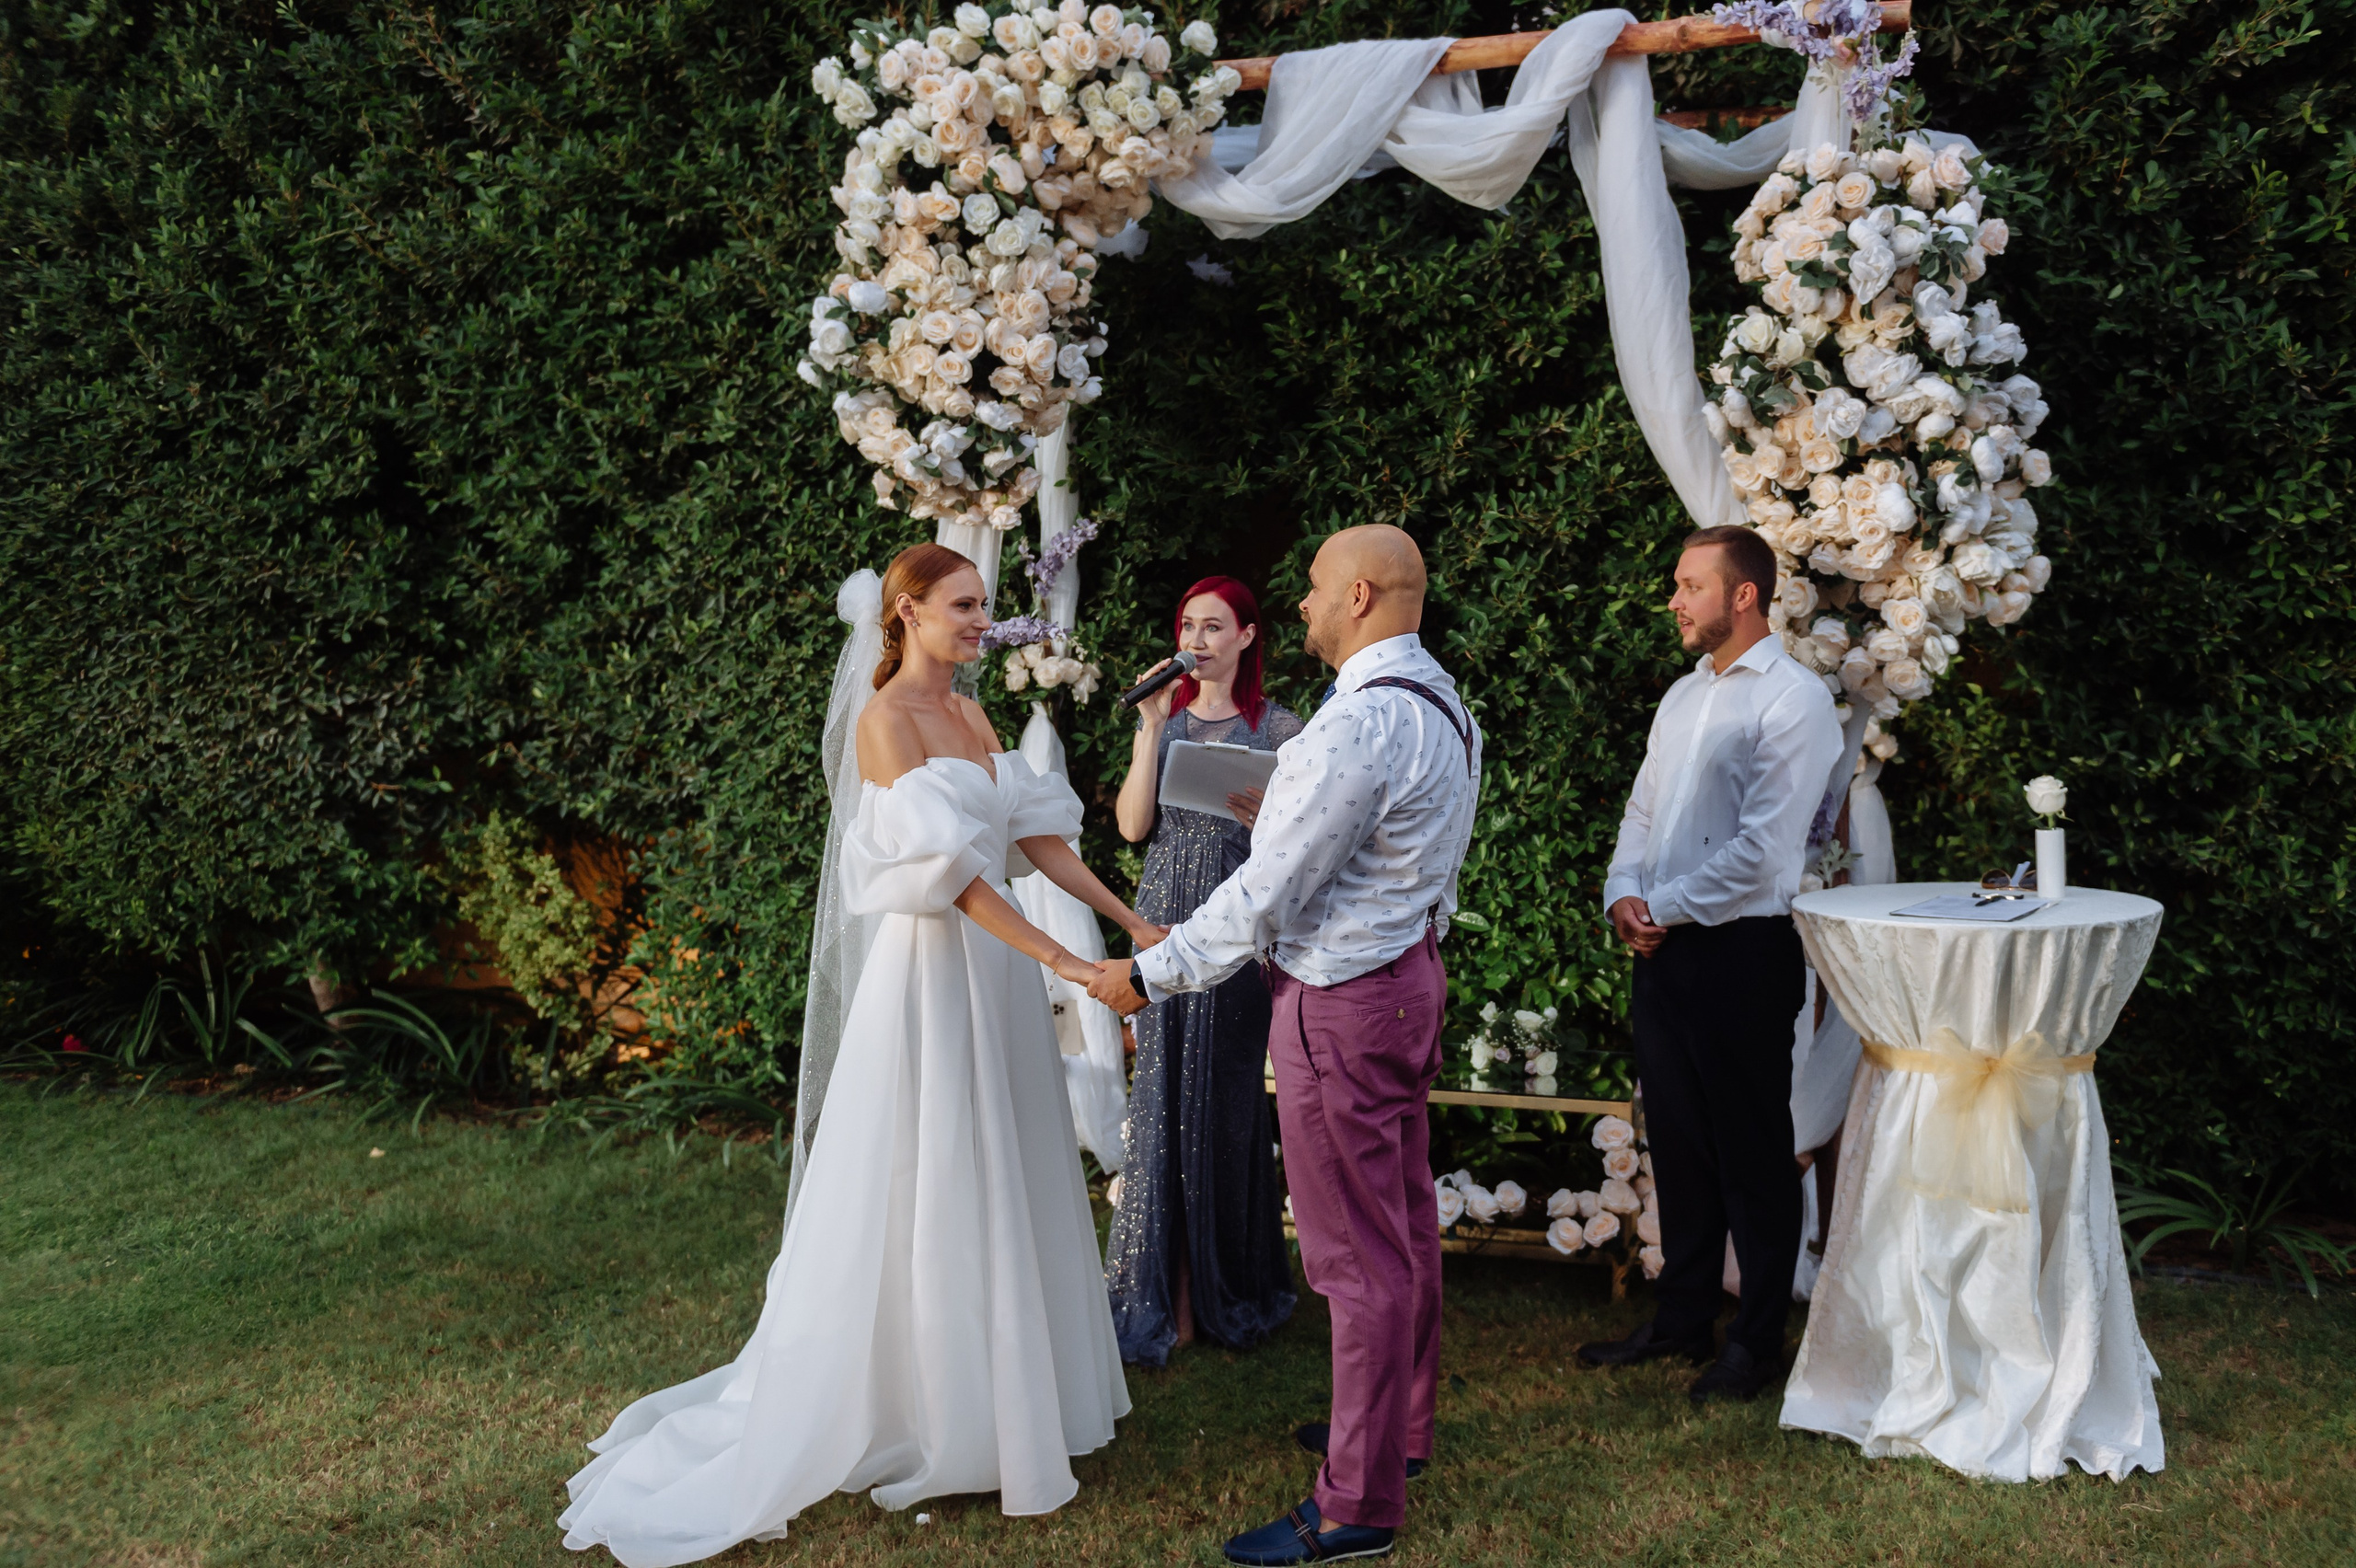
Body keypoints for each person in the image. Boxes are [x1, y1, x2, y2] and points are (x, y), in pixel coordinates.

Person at [559, 545, 1151, 1567]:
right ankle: (929, 1411)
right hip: (934, 981)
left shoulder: (972, 716)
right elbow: (954, 878)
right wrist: (1065, 962)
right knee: (930, 1175)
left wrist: (1128, 922)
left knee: (1005, 1160)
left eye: (985, 608)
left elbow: (1032, 840)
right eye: (964, 607)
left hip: (998, 980)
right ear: (906, 613)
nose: (981, 622)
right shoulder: (883, 725)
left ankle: (1015, 1396)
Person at [1088, 525, 1482, 1568]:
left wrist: (1146, 973)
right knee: (1402, 1221)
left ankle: (1355, 1503)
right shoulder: (1440, 702)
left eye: (1310, 591)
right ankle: (1397, 1433)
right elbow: (1392, 850)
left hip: (1341, 999)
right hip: (1405, 979)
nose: (1300, 608)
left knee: (1353, 1260)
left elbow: (1263, 900)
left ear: (1357, 596)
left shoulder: (1351, 726)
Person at [1580, 525, 1843, 1404]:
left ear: (1744, 596)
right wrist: (1625, 892)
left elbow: (1765, 850)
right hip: (1662, 950)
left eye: (1691, 584)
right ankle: (1683, 1319)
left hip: (1744, 951)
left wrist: (1666, 906)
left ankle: (1756, 1343)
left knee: (1754, 1153)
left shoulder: (1794, 699)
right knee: (1681, 1146)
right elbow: (1642, 813)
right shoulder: (1683, 697)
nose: (1674, 598)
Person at [1104, 576, 1301, 1366]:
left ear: (1248, 637)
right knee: (1159, 1095)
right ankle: (1162, 1286)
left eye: (1215, 627)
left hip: (1235, 924)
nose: (1199, 639)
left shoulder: (1281, 727)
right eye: (1189, 625)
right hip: (1161, 913)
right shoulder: (1172, 717)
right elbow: (1130, 826)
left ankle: (1223, 1286)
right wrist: (1151, 727)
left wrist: (1267, 819)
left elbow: (1300, 845)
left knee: (1221, 1100)